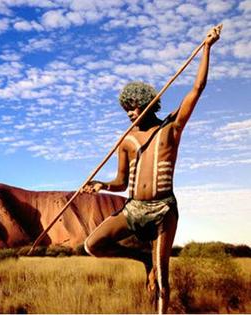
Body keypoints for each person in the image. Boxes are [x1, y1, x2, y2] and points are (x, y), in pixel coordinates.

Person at [80, 26, 220, 314]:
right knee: (92, 245)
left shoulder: (172, 127)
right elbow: (120, 183)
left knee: (162, 281)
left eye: (134, 107)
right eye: (127, 110)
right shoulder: (127, 141)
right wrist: (100, 185)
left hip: (162, 211)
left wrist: (206, 47)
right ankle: (142, 259)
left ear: (148, 102)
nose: (131, 113)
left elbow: (197, 89)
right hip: (133, 209)